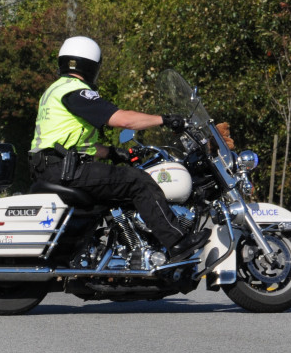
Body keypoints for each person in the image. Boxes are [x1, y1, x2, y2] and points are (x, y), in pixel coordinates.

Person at [29, 36, 209, 261]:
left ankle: (125, 251)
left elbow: (76, 143)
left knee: (119, 186)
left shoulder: (55, 90)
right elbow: (123, 120)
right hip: (64, 170)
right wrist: (164, 119)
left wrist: (114, 153)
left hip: (53, 167)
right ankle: (178, 242)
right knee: (138, 181)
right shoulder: (77, 91)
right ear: (92, 66)